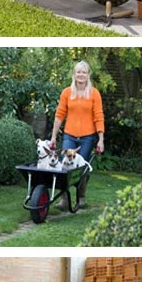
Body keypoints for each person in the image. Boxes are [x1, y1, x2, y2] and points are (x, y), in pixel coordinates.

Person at [49, 60, 104, 210]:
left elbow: (98, 116)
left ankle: (81, 196)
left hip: (87, 137)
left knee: (82, 167)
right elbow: (59, 115)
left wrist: (101, 139)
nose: (81, 75)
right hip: (69, 135)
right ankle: (65, 200)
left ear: (88, 75)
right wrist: (53, 137)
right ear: (74, 74)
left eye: (84, 72)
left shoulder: (94, 94)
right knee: (65, 166)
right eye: (78, 72)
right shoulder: (67, 92)